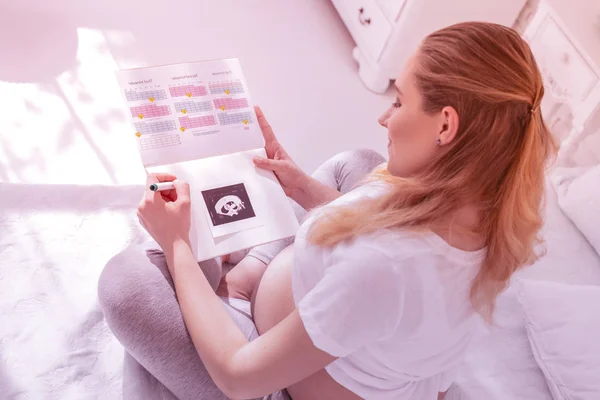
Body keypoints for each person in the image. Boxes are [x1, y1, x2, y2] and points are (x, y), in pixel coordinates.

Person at [98, 22, 555, 400]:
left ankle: (227, 291)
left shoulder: (386, 267)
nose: (385, 117)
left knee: (125, 284)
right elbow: (392, 272)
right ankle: (245, 277)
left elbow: (238, 376)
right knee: (359, 165)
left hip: (264, 372)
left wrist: (177, 244)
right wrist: (299, 187)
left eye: (399, 101)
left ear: (445, 125)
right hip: (345, 320)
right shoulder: (492, 212)